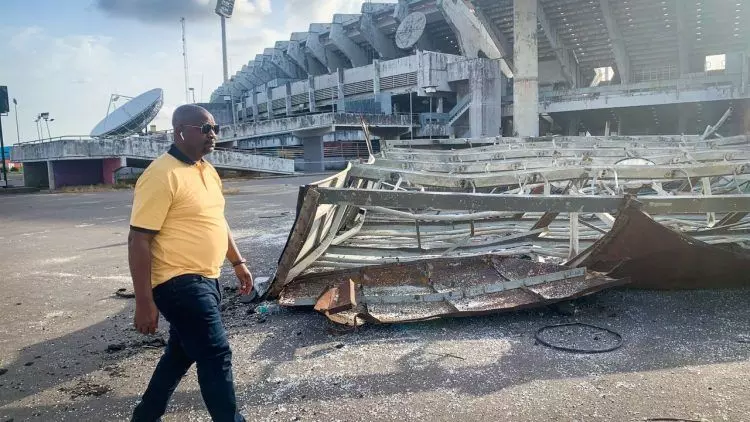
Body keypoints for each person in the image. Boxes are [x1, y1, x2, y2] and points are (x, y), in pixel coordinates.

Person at [128, 104, 252, 422]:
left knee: (180, 354)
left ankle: (145, 417)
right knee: (215, 352)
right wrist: (144, 301)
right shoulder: (160, 175)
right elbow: (138, 239)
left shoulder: (207, 170)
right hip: (178, 281)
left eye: (215, 128)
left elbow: (216, 220)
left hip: (208, 279)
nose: (213, 134)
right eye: (205, 128)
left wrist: (237, 262)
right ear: (180, 131)